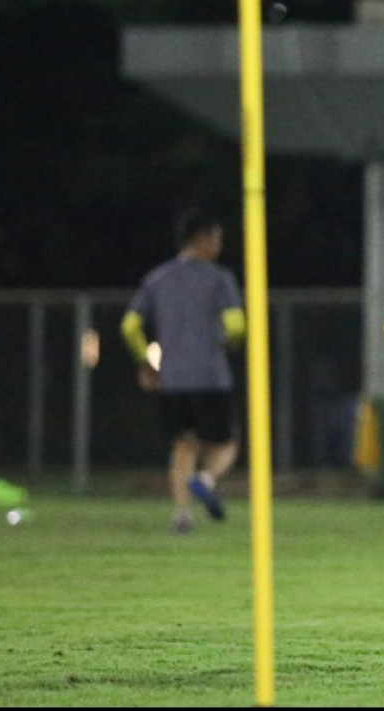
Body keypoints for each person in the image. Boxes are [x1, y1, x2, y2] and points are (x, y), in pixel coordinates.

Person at [121, 209, 245, 533]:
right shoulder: (220, 279)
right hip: (211, 376)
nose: (219, 245)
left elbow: (130, 325)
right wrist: (228, 342)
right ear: (203, 240)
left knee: (183, 444)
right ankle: (205, 480)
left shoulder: (157, 278)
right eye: (217, 238)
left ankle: (181, 514)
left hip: (173, 379)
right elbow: (235, 325)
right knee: (226, 443)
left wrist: (145, 362)